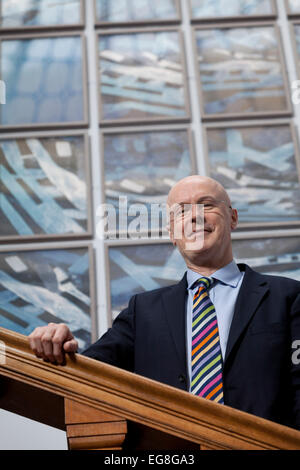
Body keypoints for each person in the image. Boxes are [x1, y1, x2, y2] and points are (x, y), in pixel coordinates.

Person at [28, 175, 300, 429]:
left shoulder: (288, 297)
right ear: (172, 232)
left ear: (233, 218)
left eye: (206, 205)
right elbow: (89, 375)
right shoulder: (142, 312)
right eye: (181, 211)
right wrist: (56, 344)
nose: (194, 216)